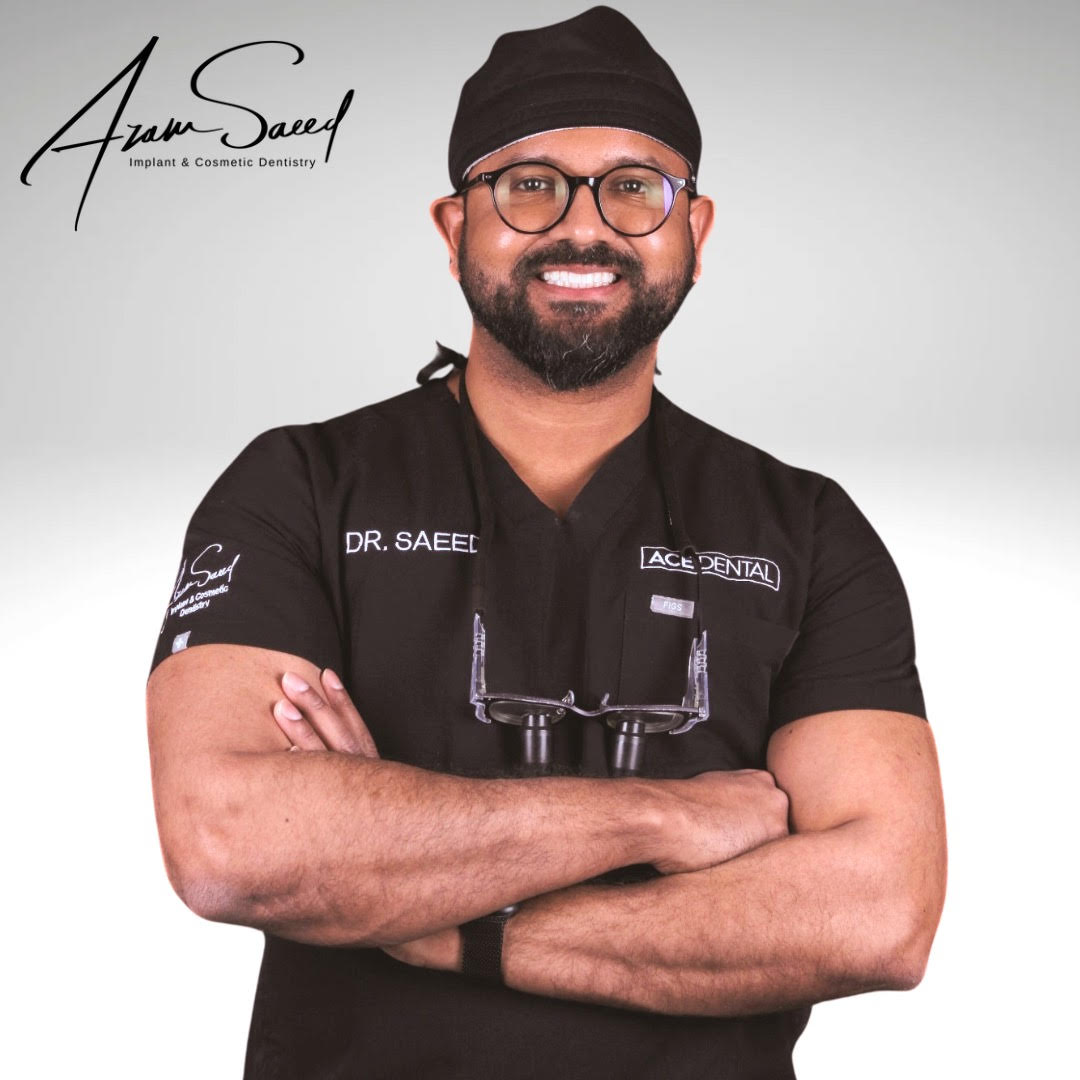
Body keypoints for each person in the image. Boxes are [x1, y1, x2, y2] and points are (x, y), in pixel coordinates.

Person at [146, 7, 946, 1078]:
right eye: (529, 185)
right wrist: (662, 815)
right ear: (453, 228)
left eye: (635, 187)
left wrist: (434, 919)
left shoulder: (804, 526)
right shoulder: (301, 487)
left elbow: (877, 915)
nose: (583, 228)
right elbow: (230, 843)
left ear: (695, 231)